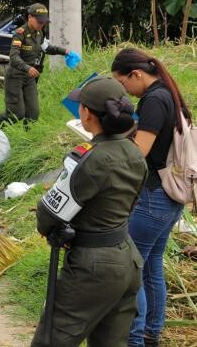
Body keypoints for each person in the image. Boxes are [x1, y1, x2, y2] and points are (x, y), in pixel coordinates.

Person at [31, 76, 146, 346]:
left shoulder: (91, 158)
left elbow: (49, 213)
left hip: (93, 267)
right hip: (127, 259)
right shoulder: (134, 153)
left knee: (51, 341)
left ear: (87, 114)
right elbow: (131, 204)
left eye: (81, 105)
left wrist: (47, 229)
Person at [111, 48, 192, 347]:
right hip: (169, 198)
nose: (124, 91)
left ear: (136, 75)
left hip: (153, 197)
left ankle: (135, 340)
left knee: (131, 270)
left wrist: (111, 147)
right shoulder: (167, 93)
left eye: (122, 84)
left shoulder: (155, 100)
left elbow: (139, 152)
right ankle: (150, 334)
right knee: (151, 265)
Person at [0, 3, 72, 127]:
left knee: (33, 114)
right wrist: (27, 68)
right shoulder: (20, 34)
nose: (42, 24)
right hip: (15, 76)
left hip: (29, 77)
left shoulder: (40, 33)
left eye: (44, 22)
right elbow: (14, 57)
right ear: (30, 17)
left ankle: (28, 140)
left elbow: (46, 48)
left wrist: (64, 51)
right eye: (39, 21)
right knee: (16, 114)